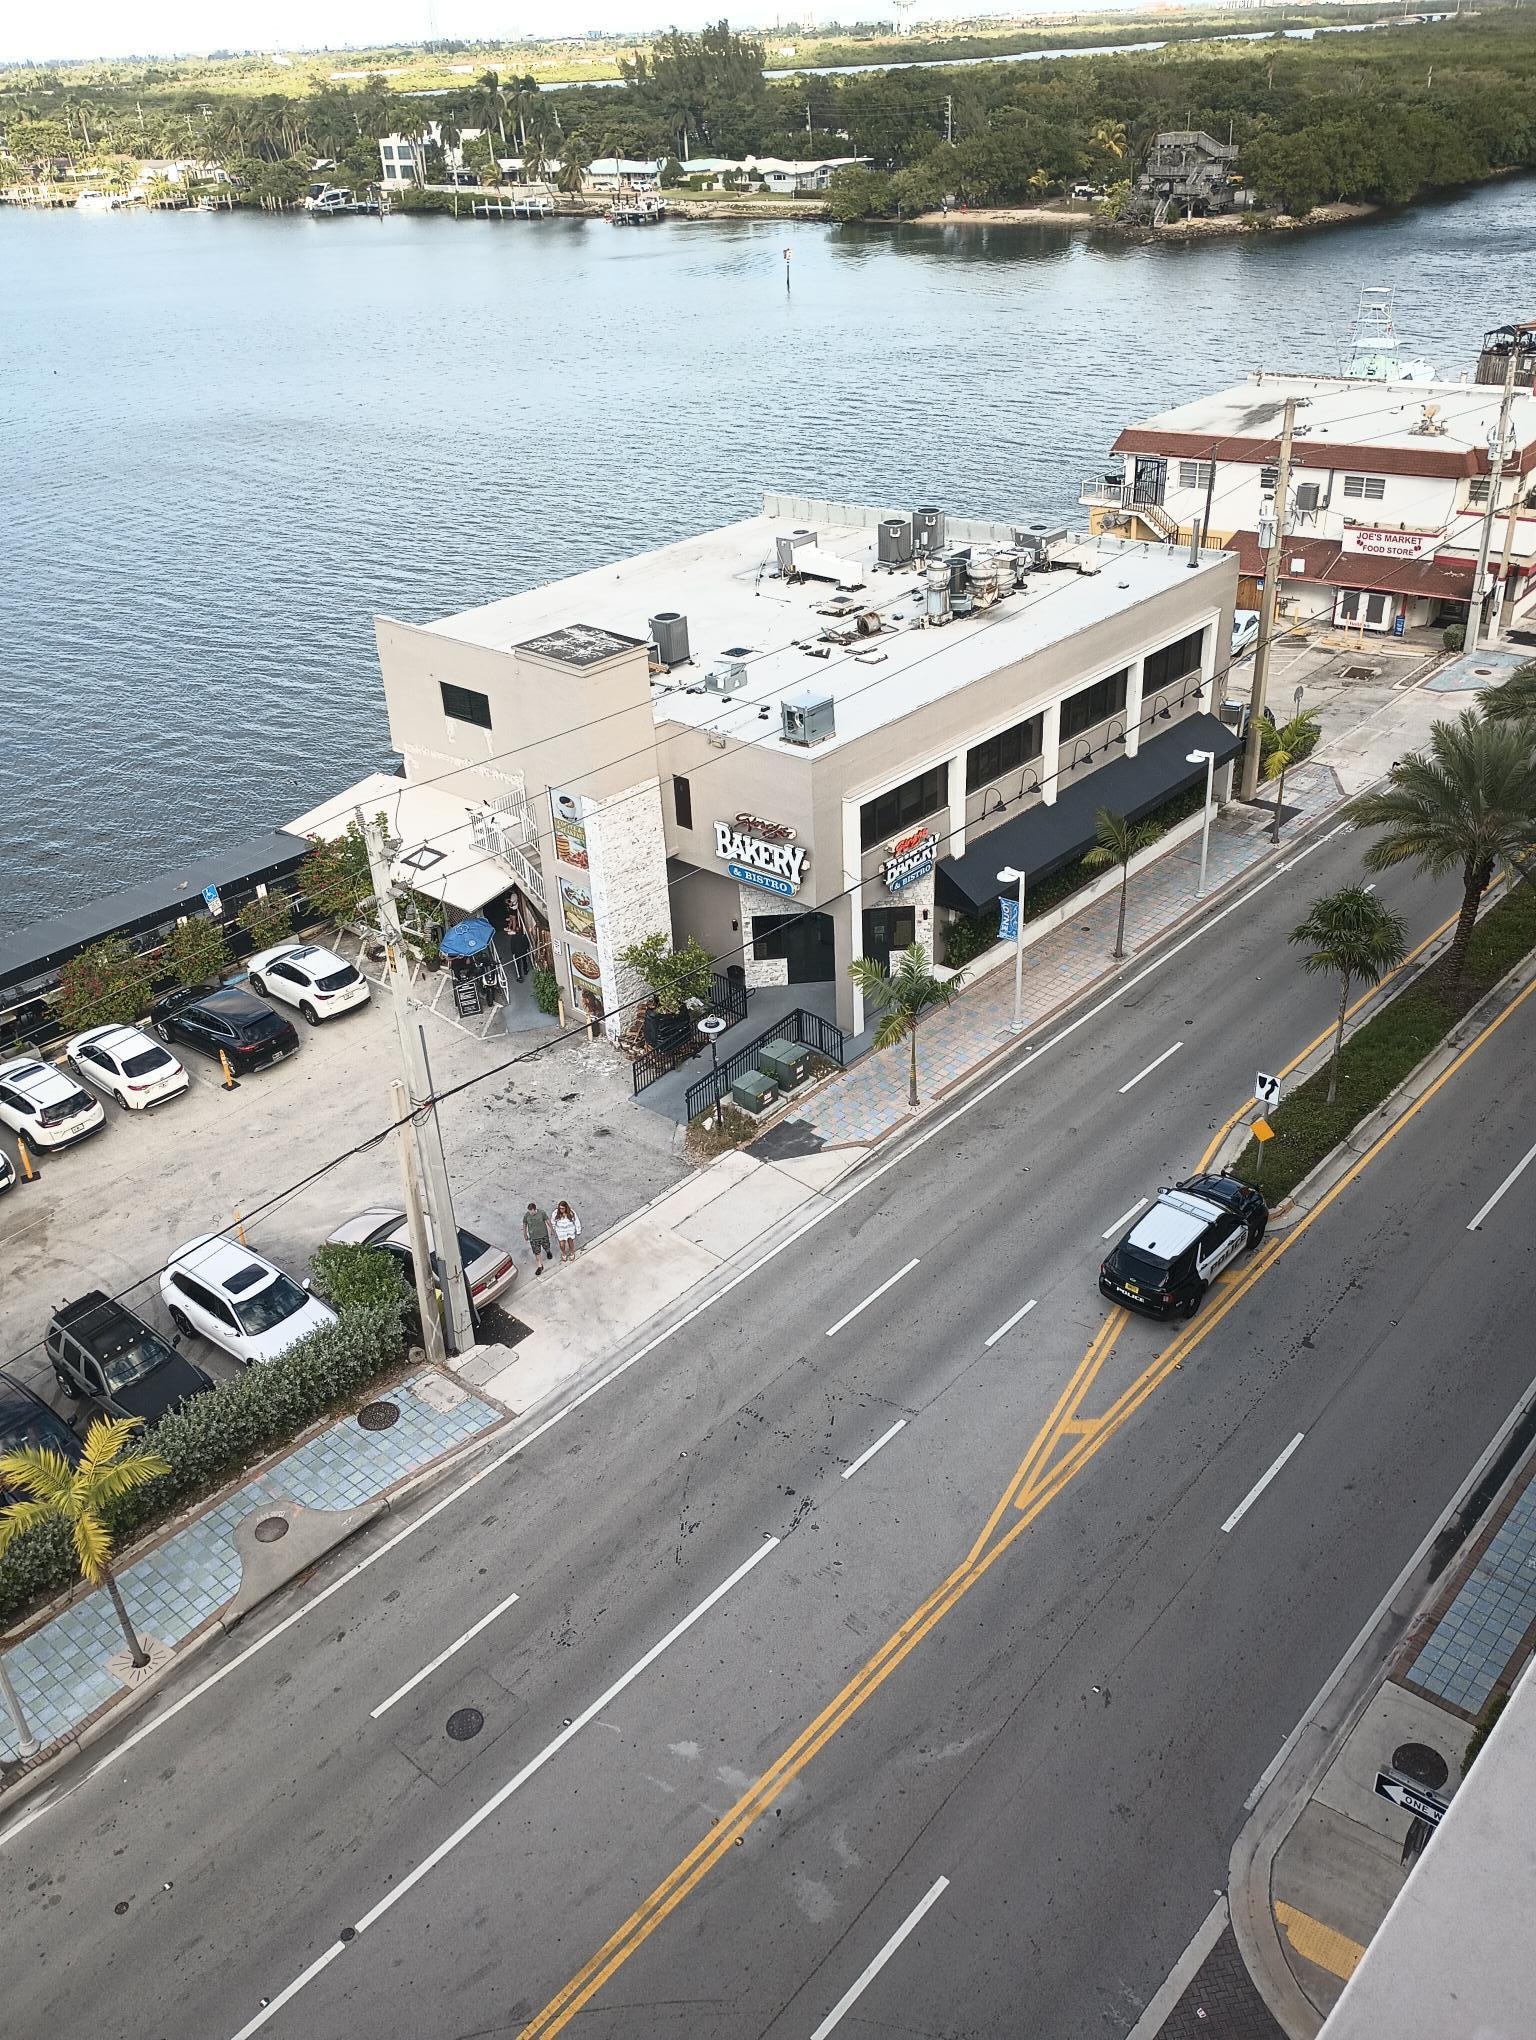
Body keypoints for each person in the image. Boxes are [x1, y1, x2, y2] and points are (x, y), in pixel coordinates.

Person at [523, 1200, 554, 1273]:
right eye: (529, 1211)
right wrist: (525, 1234)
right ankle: (540, 1266)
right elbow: (525, 1223)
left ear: (535, 1209)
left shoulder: (542, 1213)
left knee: (546, 1246)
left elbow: (547, 1221)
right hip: (533, 1238)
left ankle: (548, 1251)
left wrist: (551, 1229)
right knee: (537, 1252)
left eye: (532, 1211)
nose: (530, 1213)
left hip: (543, 1235)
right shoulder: (527, 1215)